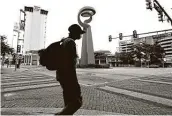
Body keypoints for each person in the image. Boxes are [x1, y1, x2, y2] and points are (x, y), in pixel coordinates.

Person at [55, 24, 85, 115]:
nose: (80, 35)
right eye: (79, 33)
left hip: (61, 74)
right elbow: (70, 62)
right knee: (77, 101)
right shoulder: (70, 42)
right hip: (68, 75)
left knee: (68, 99)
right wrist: (73, 78)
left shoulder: (64, 41)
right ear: (75, 33)